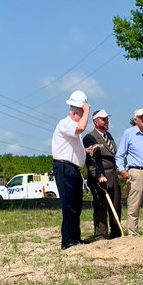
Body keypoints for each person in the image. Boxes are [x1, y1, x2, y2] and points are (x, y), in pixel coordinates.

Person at [53, 91, 90, 249]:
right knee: (68, 205)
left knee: (76, 204)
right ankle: (67, 240)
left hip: (73, 169)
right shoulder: (66, 123)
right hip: (64, 167)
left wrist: (85, 152)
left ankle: (75, 236)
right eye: (82, 113)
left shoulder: (73, 129)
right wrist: (87, 110)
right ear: (77, 112)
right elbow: (81, 128)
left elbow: (73, 146)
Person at [116, 108, 143, 235]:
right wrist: (122, 170)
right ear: (135, 120)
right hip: (136, 171)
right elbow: (120, 155)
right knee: (133, 205)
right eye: (141, 117)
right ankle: (132, 233)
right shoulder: (128, 133)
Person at [82, 109, 120, 240]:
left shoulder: (109, 136)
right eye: (103, 119)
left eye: (107, 118)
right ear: (95, 121)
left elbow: (114, 154)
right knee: (100, 207)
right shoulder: (89, 138)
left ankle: (116, 232)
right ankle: (100, 235)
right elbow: (90, 161)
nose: (106, 121)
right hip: (100, 177)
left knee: (115, 206)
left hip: (113, 176)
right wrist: (98, 176)